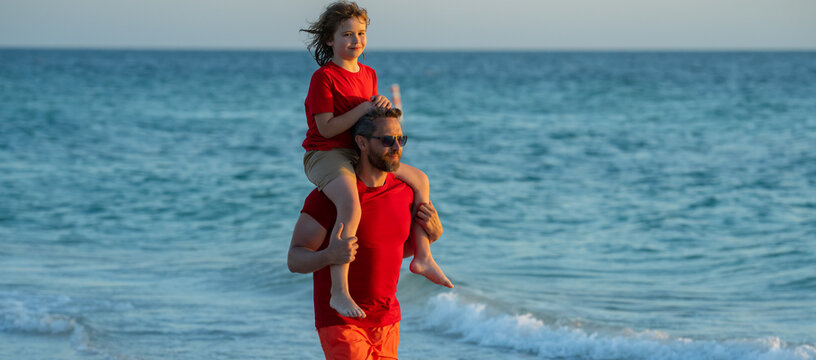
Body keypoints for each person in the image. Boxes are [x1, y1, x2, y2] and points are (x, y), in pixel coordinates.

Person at [299, 1, 451, 319]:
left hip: (359, 149)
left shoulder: (369, 74)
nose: (356, 41)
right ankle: (339, 292)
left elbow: (368, 122)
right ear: (330, 40)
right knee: (351, 205)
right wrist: (364, 108)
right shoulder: (323, 77)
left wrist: (380, 109)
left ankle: (422, 255)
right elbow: (326, 129)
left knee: (420, 178)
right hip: (325, 153)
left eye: (361, 34)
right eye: (347, 35)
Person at [288, 107, 446, 359]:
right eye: (386, 140)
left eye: (400, 139)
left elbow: (389, 250)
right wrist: (329, 255)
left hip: (387, 319)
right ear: (361, 142)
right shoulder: (330, 198)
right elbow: (295, 259)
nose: (396, 146)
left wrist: (432, 236)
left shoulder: (406, 193)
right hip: (340, 320)